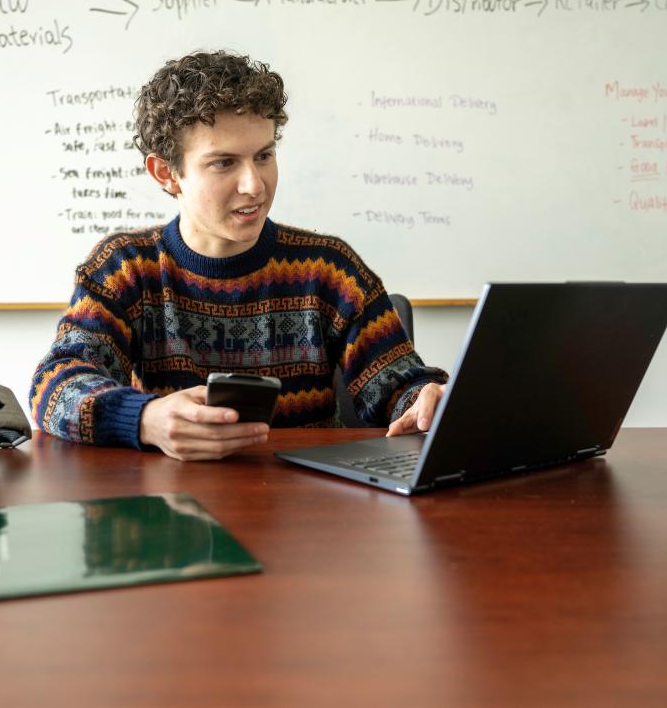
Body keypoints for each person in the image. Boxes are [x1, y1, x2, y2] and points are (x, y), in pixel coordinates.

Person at [30, 50, 447, 461]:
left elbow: (399, 387)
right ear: (166, 173)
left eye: (264, 156)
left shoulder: (330, 269)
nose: (255, 185)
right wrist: (144, 418)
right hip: (170, 502)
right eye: (224, 163)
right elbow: (55, 386)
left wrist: (425, 400)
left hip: (310, 508)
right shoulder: (124, 269)